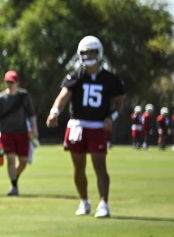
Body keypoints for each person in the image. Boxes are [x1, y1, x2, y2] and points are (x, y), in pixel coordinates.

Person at [46, 35, 126, 218]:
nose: (88, 55)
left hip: (98, 125)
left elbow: (120, 104)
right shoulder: (76, 75)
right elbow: (63, 97)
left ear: (99, 53)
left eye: (92, 52)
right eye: (85, 52)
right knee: (78, 166)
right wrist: (54, 112)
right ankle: (83, 201)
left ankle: (104, 203)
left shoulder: (110, 79)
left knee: (100, 165)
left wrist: (111, 117)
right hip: (77, 126)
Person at [0, 71, 37, 195]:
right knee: (10, 158)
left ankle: (14, 177)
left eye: (12, 82)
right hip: (7, 133)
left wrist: (34, 128)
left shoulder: (24, 96)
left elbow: (31, 114)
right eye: (7, 82)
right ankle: (14, 186)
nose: (9, 84)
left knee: (23, 160)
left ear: (17, 82)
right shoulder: (0, 98)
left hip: (22, 132)